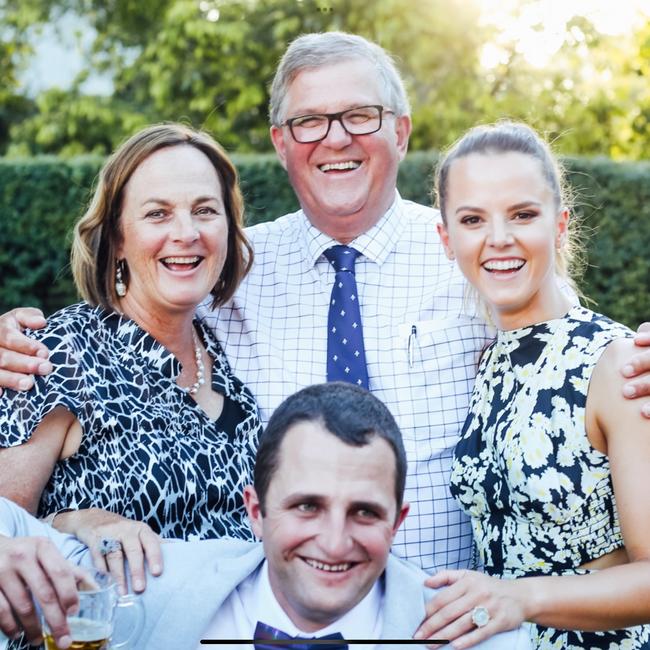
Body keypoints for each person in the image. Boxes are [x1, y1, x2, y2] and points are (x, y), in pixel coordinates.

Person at [1, 33, 649, 576]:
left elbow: (565, 343)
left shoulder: (468, 252)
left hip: (442, 621)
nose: (334, 138)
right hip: (275, 623)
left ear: (400, 130)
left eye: (360, 116)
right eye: (310, 121)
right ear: (281, 142)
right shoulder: (231, 271)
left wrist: (634, 356)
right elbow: (125, 325)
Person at [0, 382, 532, 650]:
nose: (334, 539)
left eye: (365, 513)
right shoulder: (150, 585)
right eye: (307, 505)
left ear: (398, 522)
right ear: (255, 511)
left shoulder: (475, 637)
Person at [413, 122, 650, 649]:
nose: (499, 238)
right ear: (447, 239)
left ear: (560, 224)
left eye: (522, 214)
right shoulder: (484, 362)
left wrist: (521, 598)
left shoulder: (618, 364)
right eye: (473, 219)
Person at [0, 124, 261, 596]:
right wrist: (74, 520)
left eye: (205, 210)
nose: (186, 233)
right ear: (117, 237)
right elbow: (5, 538)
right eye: (157, 214)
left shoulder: (232, 345)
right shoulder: (63, 351)